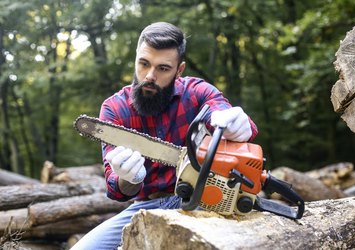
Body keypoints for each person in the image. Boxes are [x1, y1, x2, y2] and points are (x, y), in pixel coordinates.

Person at [71, 21, 258, 250]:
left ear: (179, 70)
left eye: (163, 68)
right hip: (145, 207)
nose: (150, 76)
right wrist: (128, 178)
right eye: (144, 64)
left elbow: (222, 110)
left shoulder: (196, 92)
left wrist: (239, 124)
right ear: (136, 59)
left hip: (202, 199)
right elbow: (117, 190)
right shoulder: (114, 109)